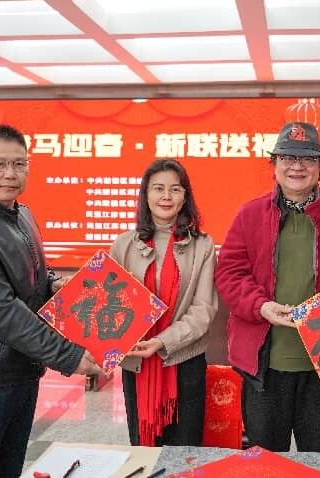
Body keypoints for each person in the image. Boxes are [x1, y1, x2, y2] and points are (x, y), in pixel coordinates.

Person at [0, 124, 103, 478]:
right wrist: (69, 355)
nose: (10, 174)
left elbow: (34, 275)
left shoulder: (21, 215)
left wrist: (57, 285)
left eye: (19, 164)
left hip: (20, 373)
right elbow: (3, 311)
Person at [215, 121, 320, 453]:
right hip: (265, 365)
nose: (297, 166)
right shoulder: (249, 215)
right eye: (287, 157)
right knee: (266, 462)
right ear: (274, 164)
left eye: (307, 158)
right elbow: (229, 273)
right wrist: (260, 306)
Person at [112, 159, 218, 447]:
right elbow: (111, 304)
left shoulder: (203, 245)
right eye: (158, 188)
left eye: (175, 189)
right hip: (137, 362)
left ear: (185, 197)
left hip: (184, 362)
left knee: (184, 452)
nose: (166, 196)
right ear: (146, 195)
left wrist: (162, 341)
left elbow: (203, 309)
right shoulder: (123, 245)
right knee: (143, 451)